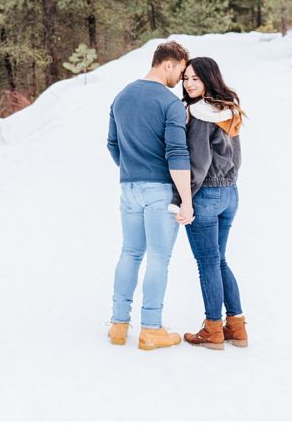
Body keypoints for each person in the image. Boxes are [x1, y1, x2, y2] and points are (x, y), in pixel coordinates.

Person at [106, 41, 195, 351]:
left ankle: (118, 324)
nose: (180, 79)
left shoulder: (121, 97)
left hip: (128, 188)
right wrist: (186, 198)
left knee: (130, 253)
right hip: (159, 191)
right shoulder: (169, 104)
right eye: (181, 71)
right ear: (168, 64)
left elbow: (112, 145)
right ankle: (151, 328)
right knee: (159, 257)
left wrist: (132, 168)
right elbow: (177, 153)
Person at [175, 56, 248, 350]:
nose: (189, 83)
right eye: (186, 78)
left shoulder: (198, 113)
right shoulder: (227, 109)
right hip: (230, 193)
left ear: (209, 79)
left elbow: (199, 162)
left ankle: (213, 330)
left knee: (207, 262)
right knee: (219, 260)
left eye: (196, 78)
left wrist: (184, 198)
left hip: (205, 194)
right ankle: (237, 327)